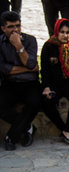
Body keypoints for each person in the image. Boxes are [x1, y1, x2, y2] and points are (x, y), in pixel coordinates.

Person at [40, 18, 69, 145]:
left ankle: (67, 129)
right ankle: (64, 129)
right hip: (54, 84)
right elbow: (44, 70)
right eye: (62, 32)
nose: (65, 35)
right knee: (46, 101)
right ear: (56, 31)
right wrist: (46, 87)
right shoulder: (48, 46)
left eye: (68, 32)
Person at [0, 11, 39, 151]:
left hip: (30, 83)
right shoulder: (0, 43)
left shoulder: (30, 40)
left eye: (18, 26)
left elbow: (30, 63)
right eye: (11, 27)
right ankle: (27, 127)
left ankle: (11, 136)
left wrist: (19, 46)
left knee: (35, 103)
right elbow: (4, 69)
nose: (15, 30)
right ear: (3, 28)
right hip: (10, 83)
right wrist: (28, 68)